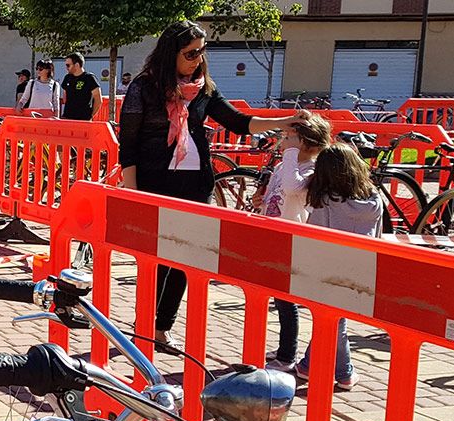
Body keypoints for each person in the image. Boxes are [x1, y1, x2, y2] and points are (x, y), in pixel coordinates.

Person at [119, 20, 309, 350]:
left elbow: (238, 121)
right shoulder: (143, 88)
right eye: (191, 53)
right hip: (154, 183)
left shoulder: (203, 87)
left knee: (185, 258)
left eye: (202, 51)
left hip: (195, 183)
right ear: (170, 54)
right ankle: (143, 322)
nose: (198, 59)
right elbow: (128, 146)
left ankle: (162, 326)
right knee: (156, 258)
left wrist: (284, 121)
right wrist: (133, 193)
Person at [281, 143, 382, 389]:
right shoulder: (374, 199)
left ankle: (343, 372)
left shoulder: (325, 200)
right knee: (335, 319)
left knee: (333, 321)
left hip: (328, 267)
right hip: (361, 266)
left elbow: (315, 230)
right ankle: (309, 364)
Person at [260, 114, 332, 373]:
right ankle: (283, 349)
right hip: (272, 236)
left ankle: (287, 354)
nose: (283, 140)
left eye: (289, 136)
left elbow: (292, 189)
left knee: (286, 300)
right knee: (278, 299)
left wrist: (290, 154)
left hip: (292, 240)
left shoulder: (311, 171)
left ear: (304, 141)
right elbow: (276, 191)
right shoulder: (284, 166)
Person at [60, 52, 102, 121]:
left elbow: (98, 100)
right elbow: (65, 97)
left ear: (76, 65)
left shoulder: (89, 78)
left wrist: (90, 115)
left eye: (68, 65)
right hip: (68, 117)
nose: (66, 68)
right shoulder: (67, 78)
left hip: (83, 119)